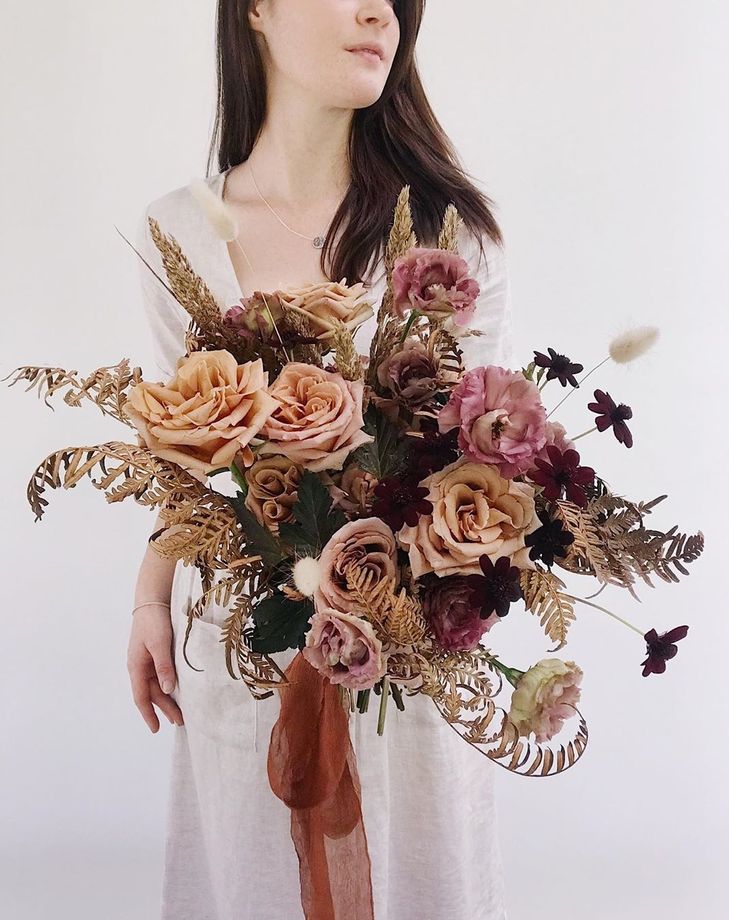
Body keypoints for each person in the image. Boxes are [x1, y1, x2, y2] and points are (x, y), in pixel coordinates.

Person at [128, 2, 515, 918]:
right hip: (239, 650)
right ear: (256, 8)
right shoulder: (175, 233)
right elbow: (180, 459)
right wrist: (149, 595)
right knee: (253, 880)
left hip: (407, 654)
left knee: (418, 878)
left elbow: (480, 456)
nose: (379, 10)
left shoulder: (451, 238)